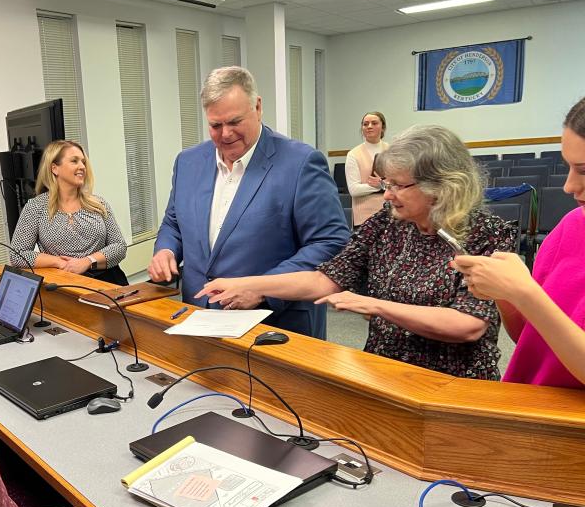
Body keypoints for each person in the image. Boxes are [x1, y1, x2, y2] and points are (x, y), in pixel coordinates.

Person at [197, 125, 518, 380]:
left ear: (442, 185)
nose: (387, 195)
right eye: (386, 184)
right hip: (383, 370)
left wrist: (376, 305)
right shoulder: (386, 224)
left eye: (397, 186)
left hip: (452, 381)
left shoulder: (483, 234)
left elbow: (469, 324)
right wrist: (250, 285)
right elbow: (324, 281)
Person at [147, 66, 349, 338]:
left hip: (276, 326)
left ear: (257, 107)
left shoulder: (300, 163)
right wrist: (166, 251)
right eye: (215, 125)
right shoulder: (188, 162)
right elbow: (174, 223)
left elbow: (330, 243)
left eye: (234, 122)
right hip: (200, 319)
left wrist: (262, 287)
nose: (226, 134)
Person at [453, 97, 585, 388]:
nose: (569, 186)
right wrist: (505, 294)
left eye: (584, 170)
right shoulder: (572, 226)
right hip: (526, 410)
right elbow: (529, 337)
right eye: (568, 168)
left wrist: (524, 293)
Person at [10, 139, 129, 285]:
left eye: (83, 162)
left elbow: (119, 246)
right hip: (64, 285)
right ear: (55, 168)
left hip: (108, 282)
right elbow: (17, 255)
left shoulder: (99, 204)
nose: (82, 166)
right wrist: (58, 262)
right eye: (74, 161)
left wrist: (87, 262)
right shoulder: (36, 207)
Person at [345, 111, 389, 226]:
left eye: (374, 123)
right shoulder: (353, 154)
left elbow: (398, 184)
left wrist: (381, 185)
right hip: (364, 217)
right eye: (365, 124)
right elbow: (354, 190)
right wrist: (381, 186)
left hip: (390, 214)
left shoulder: (392, 150)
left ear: (383, 127)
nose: (369, 126)